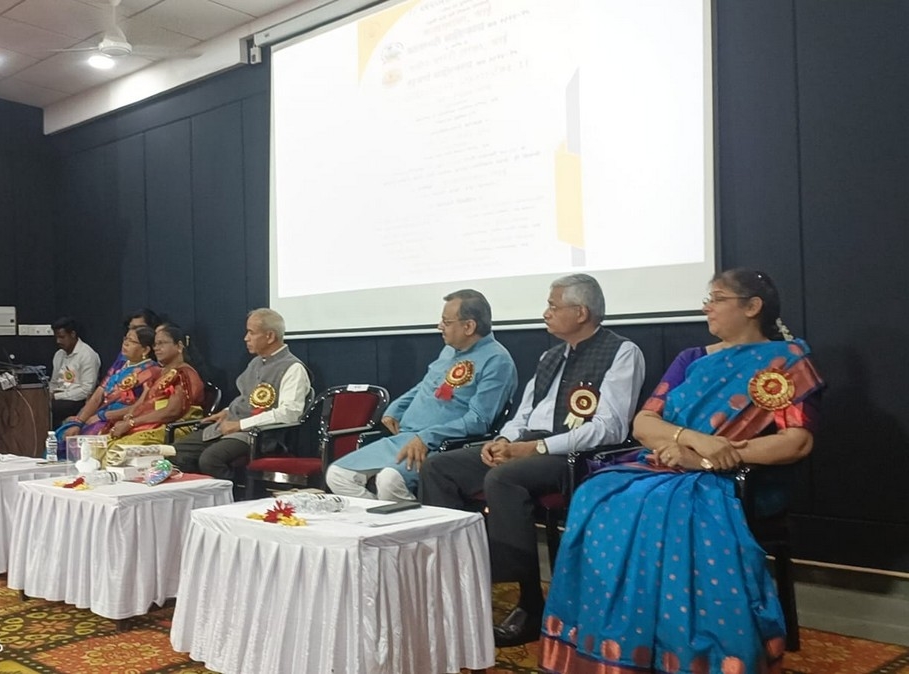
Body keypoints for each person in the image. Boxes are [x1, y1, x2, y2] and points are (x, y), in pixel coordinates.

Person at [539, 269, 824, 674]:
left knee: (661, 506)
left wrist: (708, 459)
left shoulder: (785, 363)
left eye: (717, 299)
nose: (707, 308)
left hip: (738, 480)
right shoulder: (691, 359)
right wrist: (693, 441)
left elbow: (797, 442)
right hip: (668, 465)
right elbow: (644, 423)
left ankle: (687, 653)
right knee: (595, 493)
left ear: (752, 307)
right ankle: (619, 642)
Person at [418, 274, 646, 647]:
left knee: (504, 478)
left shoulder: (621, 352)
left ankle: (528, 602)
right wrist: (503, 440)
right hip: (526, 446)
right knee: (439, 468)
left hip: (575, 456)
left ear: (581, 312)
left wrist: (537, 448)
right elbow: (523, 414)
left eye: (553, 306)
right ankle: (455, 582)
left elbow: (609, 428)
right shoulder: (550, 356)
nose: (545, 313)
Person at [326, 289, 516, 501]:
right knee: (338, 475)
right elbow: (425, 386)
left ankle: (406, 521)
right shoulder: (449, 351)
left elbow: (478, 420)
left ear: (469, 326)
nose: (439, 326)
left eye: (446, 322)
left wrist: (427, 437)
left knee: (389, 480)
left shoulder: (497, 361)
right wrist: (395, 409)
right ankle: (380, 519)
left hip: (441, 446)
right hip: (407, 438)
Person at [172, 308, 310, 480]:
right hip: (231, 426)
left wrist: (241, 424)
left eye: (251, 333)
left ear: (270, 336)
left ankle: (232, 495)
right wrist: (227, 411)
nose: (246, 338)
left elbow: (290, 413)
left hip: (260, 436)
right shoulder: (255, 363)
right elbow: (247, 397)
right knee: (176, 452)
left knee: (211, 460)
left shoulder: (293, 368)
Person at [92, 324, 206, 466]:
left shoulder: (184, 374)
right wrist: (129, 417)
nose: (156, 348)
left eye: (162, 343)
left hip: (172, 427)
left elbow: (172, 412)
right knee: (99, 447)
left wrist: (132, 423)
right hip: (149, 423)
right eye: (155, 344)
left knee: (117, 451)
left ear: (179, 346)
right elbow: (142, 402)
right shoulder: (159, 374)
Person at [56, 326, 162, 441]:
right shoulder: (120, 365)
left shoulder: (153, 372)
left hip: (121, 421)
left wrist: (104, 416)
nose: (126, 343)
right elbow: (98, 396)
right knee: (64, 433)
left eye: (131, 341)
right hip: (101, 415)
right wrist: (79, 422)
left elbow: (142, 407)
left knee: (82, 441)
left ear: (145, 350)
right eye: (126, 339)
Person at [48, 317, 102, 428]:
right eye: (56, 337)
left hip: (78, 400)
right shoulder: (59, 354)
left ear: (72, 334)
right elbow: (54, 382)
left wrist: (57, 396)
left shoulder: (87, 355)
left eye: (62, 337)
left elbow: (87, 390)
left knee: (51, 407)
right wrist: (48, 394)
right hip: (60, 396)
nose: (58, 341)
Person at [107, 308, 163, 373]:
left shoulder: (155, 365)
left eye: (139, 328)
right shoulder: (125, 354)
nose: (133, 331)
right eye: (131, 328)